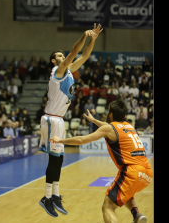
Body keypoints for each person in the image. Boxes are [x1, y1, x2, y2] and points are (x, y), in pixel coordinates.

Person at [48, 99, 152, 223]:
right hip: (147, 173)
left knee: (107, 206)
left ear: (111, 114)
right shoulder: (130, 127)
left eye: (108, 112)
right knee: (125, 192)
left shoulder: (109, 128)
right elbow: (109, 127)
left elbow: (81, 140)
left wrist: (60, 140)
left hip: (132, 171)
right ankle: (137, 214)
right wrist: (93, 120)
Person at [38, 23, 103, 218]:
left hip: (59, 120)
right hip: (51, 119)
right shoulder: (57, 72)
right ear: (53, 61)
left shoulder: (68, 70)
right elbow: (75, 51)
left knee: (60, 159)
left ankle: (56, 195)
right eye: (58, 55)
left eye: (62, 55)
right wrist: (84, 36)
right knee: (53, 159)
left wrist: (93, 39)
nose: (62, 56)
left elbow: (83, 56)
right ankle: (46, 197)